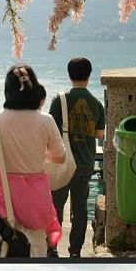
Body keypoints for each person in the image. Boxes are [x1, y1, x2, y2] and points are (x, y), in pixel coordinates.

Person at [0, 65, 67, 257]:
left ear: (7, 91)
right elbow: (60, 156)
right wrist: (40, 156)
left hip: (3, 197)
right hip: (36, 199)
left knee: (3, 247)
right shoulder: (46, 120)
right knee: (37, 244)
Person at [48, 57, 105, 258]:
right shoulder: (96, 104)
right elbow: (99, 135)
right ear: (89, 76)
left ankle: (52, 247)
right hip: (84, 163)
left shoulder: (59, 100)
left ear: (69, 74)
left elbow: (49, 131)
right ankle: (75, 251)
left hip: (61, 163)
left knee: (55, 208)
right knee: (80, 210)